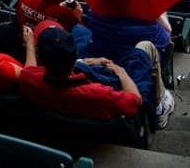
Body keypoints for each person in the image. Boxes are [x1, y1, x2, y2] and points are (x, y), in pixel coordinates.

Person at [19, 20, 174, 130]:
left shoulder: (29, 80)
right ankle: (160, 108)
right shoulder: (99, 95)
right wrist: (121, 72)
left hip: (61, 133)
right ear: (73, 61)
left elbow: (29, 70)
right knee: (145, 48)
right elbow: (135, 100)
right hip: (104, 135)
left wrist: (30, 45)